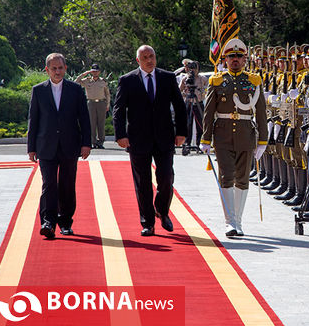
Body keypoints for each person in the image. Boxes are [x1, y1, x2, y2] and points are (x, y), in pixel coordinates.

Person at [113, 45, 187, 236]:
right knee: (143, 182)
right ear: (138, 60)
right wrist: (120, 135)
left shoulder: (167, 77)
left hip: (164, 137)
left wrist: (182, 132)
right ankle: (147, 222)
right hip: (138, 139)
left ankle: (162, 211)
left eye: (152, 56)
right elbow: (119, 110)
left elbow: (179, 106)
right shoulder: (127, 80)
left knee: (166, 177)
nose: (149, 60)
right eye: (145, 57)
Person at [200, 38, 268, 237]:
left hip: (246, 134)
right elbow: (208, 112)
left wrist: (263, 140)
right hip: (222, 134)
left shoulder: (254, 81)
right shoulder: (217, 81)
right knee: (226, 176)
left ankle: (238, 220)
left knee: (243, 179)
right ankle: (230, 222)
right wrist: (206, 139)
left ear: (245, 58)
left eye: (239, 56)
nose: (235, 60)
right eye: (232, 56)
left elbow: (261, 112)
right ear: (226, 59)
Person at [27, 53, 91, 239]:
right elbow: (34, 120)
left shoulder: (75, 90)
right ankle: (48, 222)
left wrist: (86, 143)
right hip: (45, 146)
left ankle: (65, 222)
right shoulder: (38, 90)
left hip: (70, 145)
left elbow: (84, 119)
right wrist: (31, 147)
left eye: (60, 68)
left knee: (67, 184)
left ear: (65, 68)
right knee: (48, 184)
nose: (57, 71)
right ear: (47, 70)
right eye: (53, 68)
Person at [75, 63, 111, 149]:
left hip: (101, 103)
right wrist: (85, 73)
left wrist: (108, 104)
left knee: (101, 124)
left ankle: (100, 142)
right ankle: (93, 142)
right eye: (93, 71)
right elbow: (76, 82)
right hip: (91, 103)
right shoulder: (87, 80)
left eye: (96, 71)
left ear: (99, 72)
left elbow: (107, 94)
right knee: (91, 123)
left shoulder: (103, 81)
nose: (95, 73)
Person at [179, 60, 208, 156]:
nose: (193, 70)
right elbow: (179, 91)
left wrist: (202, 92)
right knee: (188, 125)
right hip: (189, 103)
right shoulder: (185, 79)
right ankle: (187, 144)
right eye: (192, 68)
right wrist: (185, 93)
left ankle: (199, 144)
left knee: (200, 125)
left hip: (199, 103)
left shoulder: (202, 78)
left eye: (195, 68)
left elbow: (207, 89)